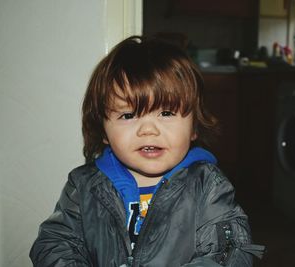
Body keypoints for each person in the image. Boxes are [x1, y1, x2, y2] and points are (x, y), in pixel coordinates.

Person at [30, 36, 264, 266]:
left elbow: (231, 251)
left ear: (194, 127)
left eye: (167, 113)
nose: (148, 129)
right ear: (103, 131)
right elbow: (55, 243)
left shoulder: (207, 185)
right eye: (128, 115)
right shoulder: (83, 186)